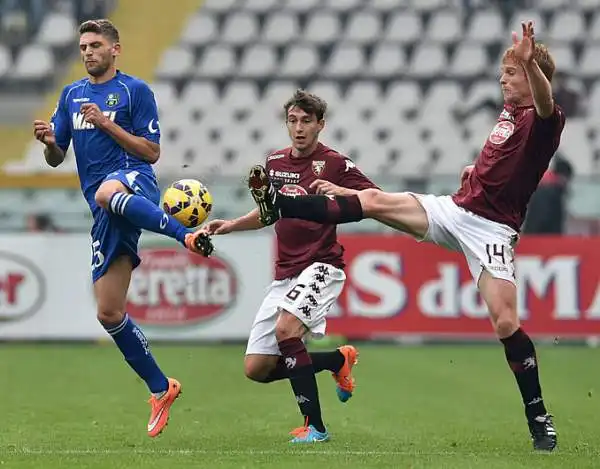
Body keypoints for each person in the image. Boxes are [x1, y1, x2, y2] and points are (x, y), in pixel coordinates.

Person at [247, 22, 563, 451]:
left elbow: (545, 106)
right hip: (455, 209)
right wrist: (475, 173)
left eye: (511, 72)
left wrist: (529, 62)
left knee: (505, 321)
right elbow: (504, 161)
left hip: (491, 229)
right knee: (375, 200)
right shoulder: (507, 112)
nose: (502, 78)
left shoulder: (545, 118)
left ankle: (538, 417)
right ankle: (282, 203)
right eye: (504, 72)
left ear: (531, 76)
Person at [32, 19, 212, 438]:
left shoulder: (135, 91)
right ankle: (160, 387)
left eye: (95, 45)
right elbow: (58, 158)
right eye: (83, 46)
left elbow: (151, 152)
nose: (88, 52)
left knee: (106, 191)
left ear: (116, 49)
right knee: (108, 311)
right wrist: (49, 142)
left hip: (132, 180)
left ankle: (185, 235)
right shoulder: (71, 95)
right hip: (105, 206)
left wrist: (107, 124)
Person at [200, 90, 378, 443]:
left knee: (286, 332)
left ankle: (316, 427)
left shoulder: (336, 164)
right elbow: (270, 212)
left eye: (306, 121)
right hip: (286, 272)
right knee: (257, 368)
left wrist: (338, 192)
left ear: (320, 125)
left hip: (322, 266)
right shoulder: (275, 163)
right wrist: (231, 224)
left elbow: (376, 199)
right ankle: (336, 361)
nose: (298, 128)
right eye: (293, 121)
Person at [522, 155, 573, 235]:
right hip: (543, 240)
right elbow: (542, 219)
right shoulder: (551, 192)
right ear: (563, 176)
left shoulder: (545, 188)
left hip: (535, 238)